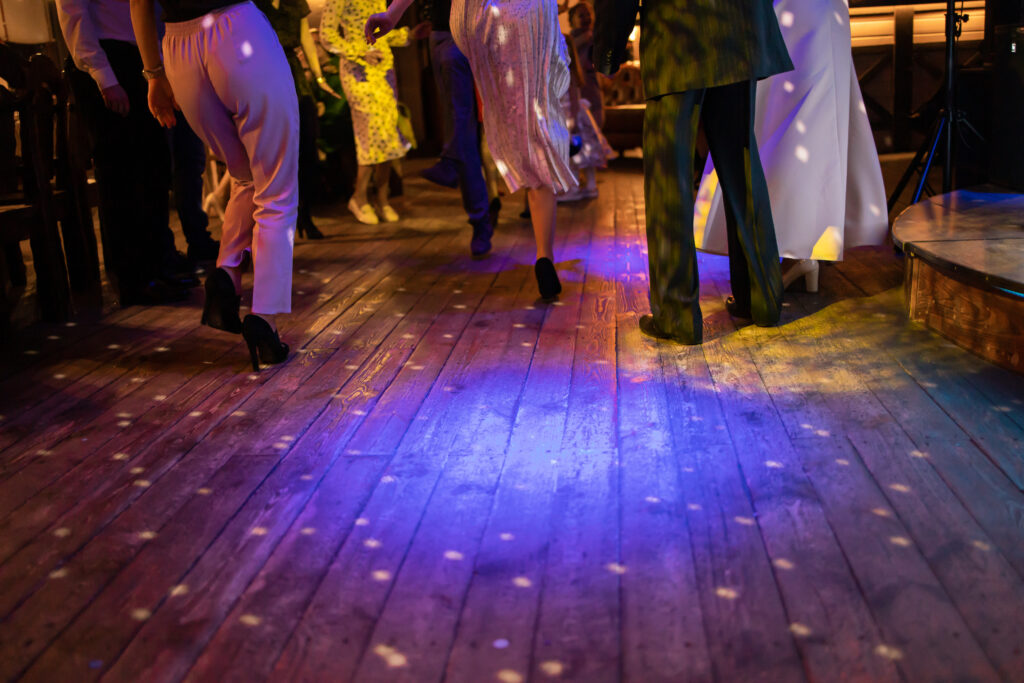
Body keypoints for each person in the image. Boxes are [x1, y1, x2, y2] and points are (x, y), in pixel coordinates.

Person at [594, 0, 793, 344]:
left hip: (677, 34)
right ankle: (763, 298)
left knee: (669, 178)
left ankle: (676, 315)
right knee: (741, 161)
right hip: (738, 26)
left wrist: (608, 49)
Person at [367, 0, 577, 300]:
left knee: (479, 115)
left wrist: (393, 13)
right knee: (534, 126)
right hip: (523, 16)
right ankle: (544, 254)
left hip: (470, 21)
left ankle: (459, 159)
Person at [130, 0, 298, 371]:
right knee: (276, 189)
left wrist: (154, 75)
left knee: (244, 176)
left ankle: (227, 276)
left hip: (177, 47)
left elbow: (139, 3)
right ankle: (265, 320)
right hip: (237, 30)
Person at [694, 0, 889, 292]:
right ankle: (807, 248)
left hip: (790, 12)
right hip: (828, 12)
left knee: (778, 127)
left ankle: (789, 249)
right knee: (814, 125)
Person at [56, 0, 191, 306]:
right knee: (120, 175)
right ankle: (132, 280)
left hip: (138, 58)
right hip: (107, 59)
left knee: (154, 167)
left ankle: (157, 265)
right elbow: (73, 13)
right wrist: (104, 77)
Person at [320, 0, 430, 225]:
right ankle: (359, 199)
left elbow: (380, 32)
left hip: (384, 71)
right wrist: (360, 53)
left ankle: (382, 200)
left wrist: (408, 35)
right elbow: (327, 36)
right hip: (358, 73)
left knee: (388, 133)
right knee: (370, 135)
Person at [254, 0, 342, 240]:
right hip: (264, 74)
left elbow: (306, 40)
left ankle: (306, 214)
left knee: (307, 150)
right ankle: (280, 222)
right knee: (274, 155)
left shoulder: (295, 3)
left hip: (294, 76)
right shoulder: (254, 3)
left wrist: (320, 78)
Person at [418, 0, 498, 257]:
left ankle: (480, 219)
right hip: (438, 34)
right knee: (458, 127)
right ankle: (480, 221)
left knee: (462, 123)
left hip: (467, 34)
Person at [559, 33, 612, 202]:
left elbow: (573, 97)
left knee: (573, 155)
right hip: (573, 117)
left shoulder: (567, 71)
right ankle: (589, 186)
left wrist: (572, 120)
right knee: (581, 155)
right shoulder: (568, 69)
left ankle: (576, 188)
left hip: (573, 119)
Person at [568, 1, 604, 129]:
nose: (586, 18)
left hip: (593, 96)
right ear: (572, 20)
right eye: (581, 15)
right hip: (574, 97)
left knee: (594, 135)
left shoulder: (596, 39)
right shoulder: (567, 41)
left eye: (589, 14)